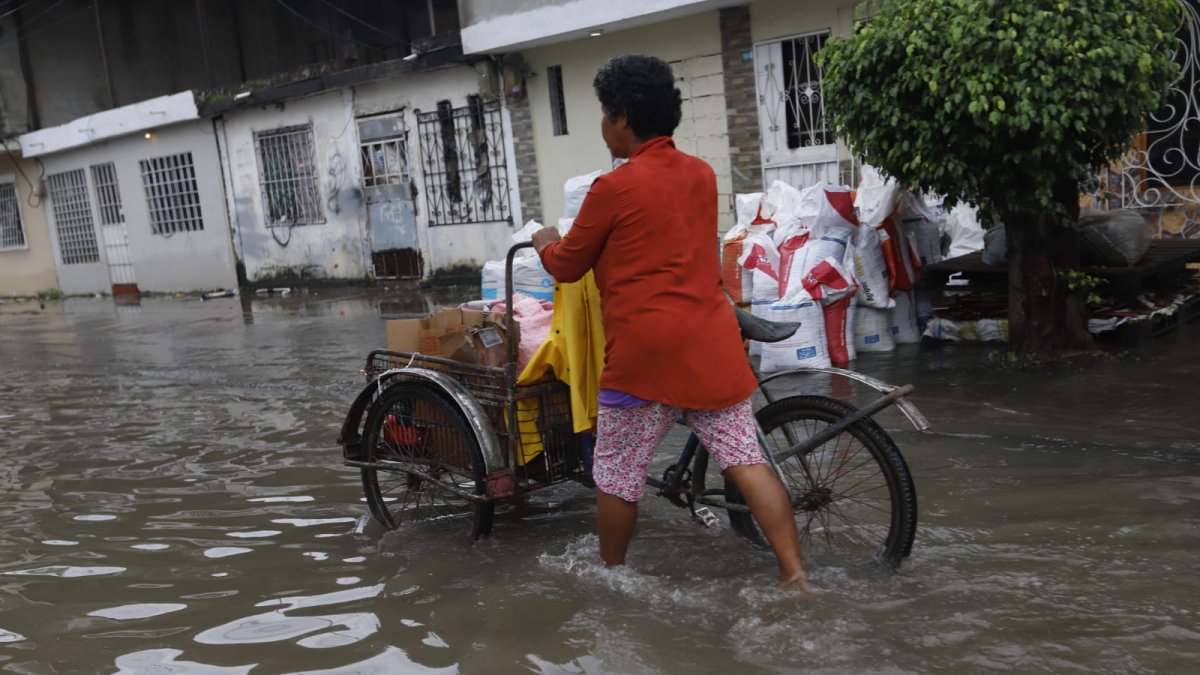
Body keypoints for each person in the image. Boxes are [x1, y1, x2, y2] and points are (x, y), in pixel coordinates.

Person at [532, 54, 810, 590]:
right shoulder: (702, 174)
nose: (603, 126)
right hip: (711, 345)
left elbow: (568, 264)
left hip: (645, 357)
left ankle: (612, 577)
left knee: (616, 473)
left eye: (606, 114)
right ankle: (796, 577)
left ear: (624, 117)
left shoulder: (611, 188)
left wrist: (545, 240)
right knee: (747, 461)